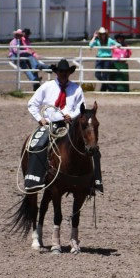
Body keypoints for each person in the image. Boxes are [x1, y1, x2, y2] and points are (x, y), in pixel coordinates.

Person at [24, 59, 103, 194]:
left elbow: (80, 108)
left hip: (71, 125)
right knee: (37, 145)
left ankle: (92, 183)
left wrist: (71, 116)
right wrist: (40, 119)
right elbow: (32, 104)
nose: (63, 74)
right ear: (57, 72)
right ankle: (36, 179)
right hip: (51, 124)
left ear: (69, 73)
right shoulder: (47, 87)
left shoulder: (76, 89)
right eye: (61, 71)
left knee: (92, 148)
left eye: (66, 71)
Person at [88, 26, 120, 92]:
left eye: (104, 34)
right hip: (100, 58)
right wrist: (94, 36)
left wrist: (114, 46)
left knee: (105, 75)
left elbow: (119, 45)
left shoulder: (110, 40)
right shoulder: (97, 40)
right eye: (101, 34)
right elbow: (90, 46)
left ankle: (103, 89)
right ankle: (110, 87)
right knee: (97, 74)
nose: (103, 35)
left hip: (107, 58)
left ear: (106, 34)